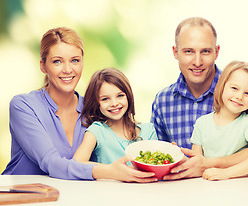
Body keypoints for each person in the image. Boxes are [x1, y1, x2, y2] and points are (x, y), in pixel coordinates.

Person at [2, 27, 157, 183]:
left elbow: (118, 140)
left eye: (75, 60)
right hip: (21, 195)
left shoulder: (94, 107)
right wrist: (108, 171)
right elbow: (50, 162)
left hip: (71, 197)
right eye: (57, 61)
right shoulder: (23, 106)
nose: (68, 69)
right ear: (43, 66)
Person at [150, 17, 248, 180]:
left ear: (216, 52)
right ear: (175, 52)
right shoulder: (163, 102)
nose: (197, 62)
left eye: (205, 51)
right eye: (188, 51)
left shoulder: (238, 93)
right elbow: (156, 160)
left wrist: (210, 164)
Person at [191, 61, 248, 180]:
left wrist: (225, 174)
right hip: (208, 186)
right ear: (222, 86)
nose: (239, 96)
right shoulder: (201, 124)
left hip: (239, 187)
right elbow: (196, 163)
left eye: (247, 93)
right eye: (234, 88)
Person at [73, 68, 158, 164]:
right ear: (96, 103)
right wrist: (112, 171)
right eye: (105, 99)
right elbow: (77, 163)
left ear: (128, 96)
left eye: (120, 96)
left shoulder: (149, 131)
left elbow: (156, 164)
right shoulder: (96, 132)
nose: (114, 103)